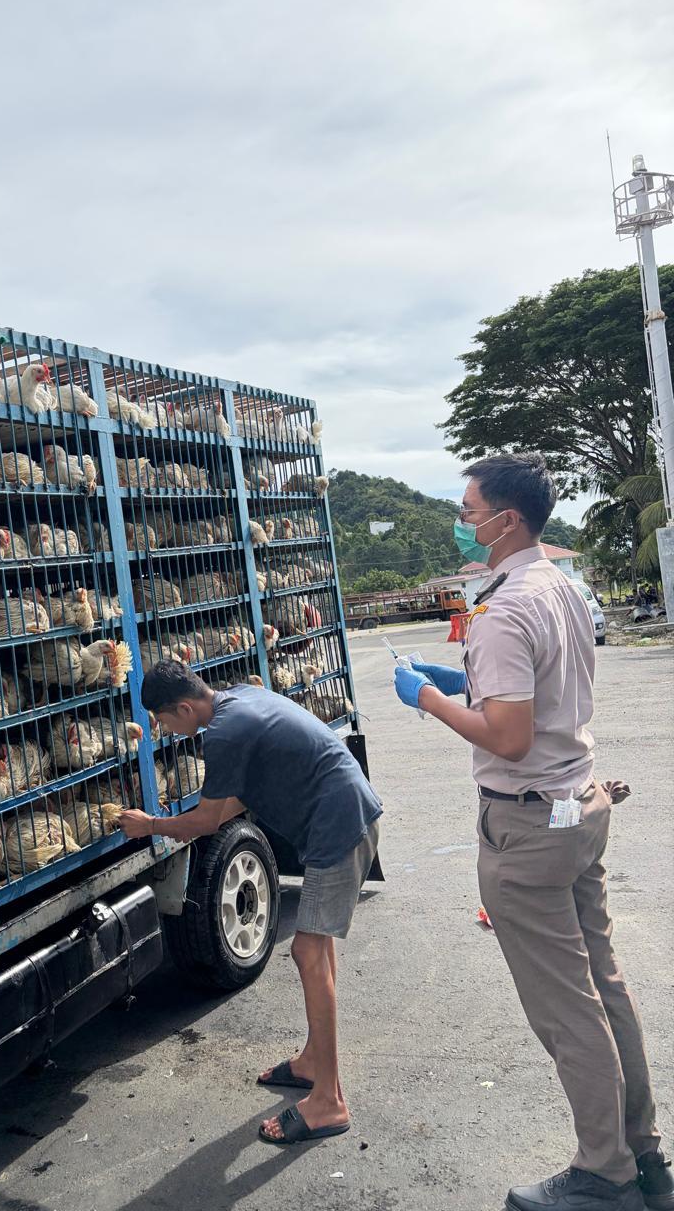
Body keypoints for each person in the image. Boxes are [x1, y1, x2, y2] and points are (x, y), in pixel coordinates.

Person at [393, 452, 672, 1211]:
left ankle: (603, 1175)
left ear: (505, 520)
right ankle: (642, 1154)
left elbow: (508, 738)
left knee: (568, 1009)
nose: (461, 522)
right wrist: (472, 684)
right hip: (576, 804)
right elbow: (538, 694)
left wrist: (427, 696)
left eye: (468, 510)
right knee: (604, 988)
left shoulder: (506, 606)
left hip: (529, 825)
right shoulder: (563, 588)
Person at [117, 660, 382, 1147]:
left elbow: (206, 822)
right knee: (317, 951)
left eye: (165, 723)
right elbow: (230, 803)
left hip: (338, 827)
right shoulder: (237, 700)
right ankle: (311, 1062)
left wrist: (150, 825)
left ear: (182, 707)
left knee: (308, 951)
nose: (168, 733)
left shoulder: (222, 733)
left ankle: (329, 1100)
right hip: (343, 814)